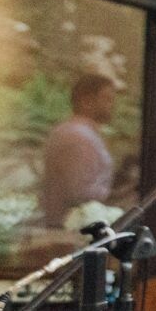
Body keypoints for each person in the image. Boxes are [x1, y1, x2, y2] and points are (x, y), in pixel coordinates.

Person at [40, 74, 119, 228]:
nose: (112, 105)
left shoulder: (82, 133)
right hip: (71, 228)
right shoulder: (78, 137)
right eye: (107, 99)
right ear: (86, 102)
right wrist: (116, 196)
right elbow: (80, 192)